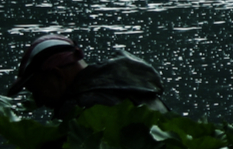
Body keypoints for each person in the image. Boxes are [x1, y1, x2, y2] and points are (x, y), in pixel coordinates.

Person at [5, 33, 168, 119]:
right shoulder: (134, 87)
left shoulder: (79, 109)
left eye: (37, 91)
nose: (39, 101)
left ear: (57, 74)